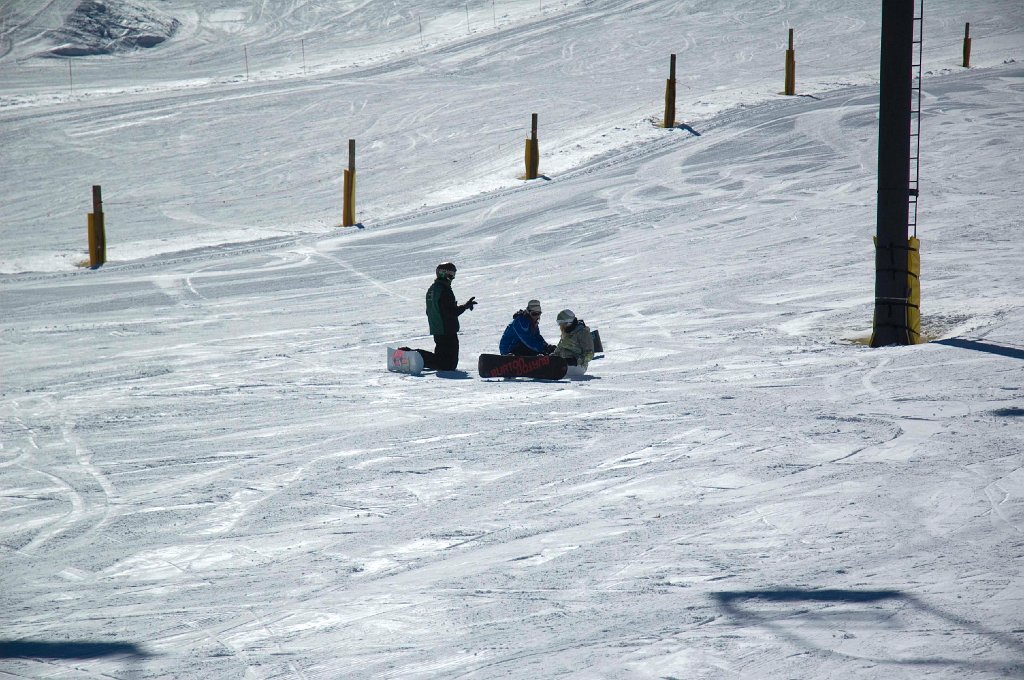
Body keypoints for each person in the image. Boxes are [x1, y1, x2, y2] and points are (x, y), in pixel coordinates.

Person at [411, 262, 476, 370]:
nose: (453, 277)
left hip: (438, 329)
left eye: (454, 274)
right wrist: (465, 307)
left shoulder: (433, 289)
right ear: (443, 273)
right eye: (451, 274)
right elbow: (451, 312)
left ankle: (415, 357)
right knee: (448, 365)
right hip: (447, 330)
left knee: (442, 362)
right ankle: (414, 354)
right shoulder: (444, 290)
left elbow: (430, 311)